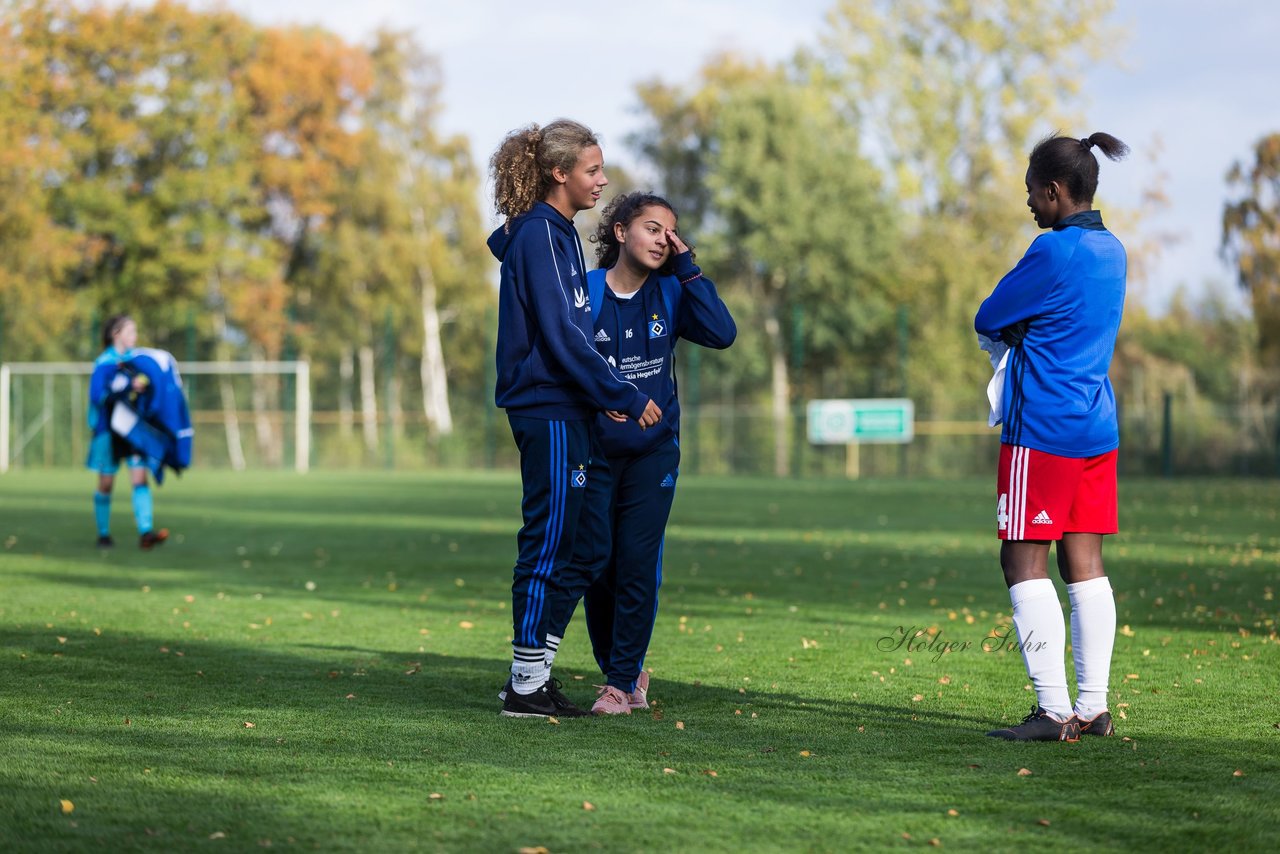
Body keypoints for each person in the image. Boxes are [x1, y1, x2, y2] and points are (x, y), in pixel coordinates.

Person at [486, 120, 663, 719]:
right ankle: (525, 683)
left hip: (572, 407)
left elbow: (566, 324)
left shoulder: (556, 232)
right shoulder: (540, 233)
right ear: (559, 174)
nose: (603, 179)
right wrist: (621, 391)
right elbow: (562, 332)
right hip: (548, 407)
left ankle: (533, 675)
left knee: (588, 547)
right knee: (552, 541)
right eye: (592, 169)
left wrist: (598, 393)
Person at [975, 131, 1130, 742]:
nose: (1030, 206)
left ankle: (1051, 709)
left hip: (1042, 428)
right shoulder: (1114, 249)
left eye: (1032, 194)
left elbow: (990, 315)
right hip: (1096, 425)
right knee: (1086, 564)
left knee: (1021, 559)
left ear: (1055, 190)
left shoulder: (1053, 249)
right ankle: (1093, 708)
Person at [571, 192, 736, 715]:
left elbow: (722, 333)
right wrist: (602, 405)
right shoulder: (588, 291)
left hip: (654, 453)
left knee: (638, 562)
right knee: (597, 564)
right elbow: (564, 364)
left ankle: (620, 684)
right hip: (594, 451)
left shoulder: (672, 291)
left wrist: (690, 270)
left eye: (670, 231)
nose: (663, 239)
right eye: (650, 227)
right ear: (620, 232)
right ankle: (622, 669)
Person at [87, 315, 169, 550]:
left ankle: (146, 532)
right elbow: (97, 396)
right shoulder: (104, 364)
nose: (134, 336)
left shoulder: (136, 363)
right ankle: (103, 534)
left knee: (140, 478)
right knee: (106, 483)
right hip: (108, 431)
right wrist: (126, 389)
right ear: (116, 334)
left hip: (132, 430)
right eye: (130, 331)